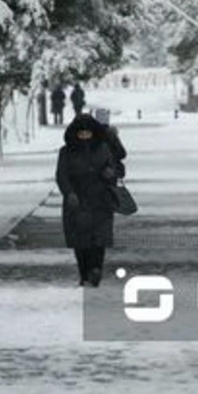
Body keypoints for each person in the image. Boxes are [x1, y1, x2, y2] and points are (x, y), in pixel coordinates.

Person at [56, 113, 118, 287]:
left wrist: (109, 175)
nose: (84, 137)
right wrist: (69, 193)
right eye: (81, 134)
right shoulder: (66, 152)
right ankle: (84, 273)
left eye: (87, 134)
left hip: (100, 200)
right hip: (77, 201)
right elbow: (62, 175)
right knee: (80, 241)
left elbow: (113, 170)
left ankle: (96, 269)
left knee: (99, 239)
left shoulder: (103, 149)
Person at [94, 107, 127, 179]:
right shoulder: (111, 135)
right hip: (112, 169)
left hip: (94, 172)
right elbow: (122, 153)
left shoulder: (90, 135)